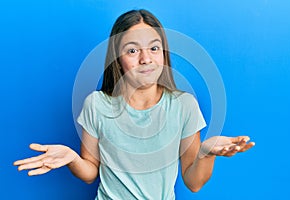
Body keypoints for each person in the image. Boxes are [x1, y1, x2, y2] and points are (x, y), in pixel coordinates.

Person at [14, 9, 255, 200]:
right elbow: (90, 174)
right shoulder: (97, 105)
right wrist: (72, 159)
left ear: (163, 54)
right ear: (117, 60)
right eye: (132, 50)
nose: (146, 58)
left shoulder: (184, 105)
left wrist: (205, 152)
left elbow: (193, 183)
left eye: (154, 48)